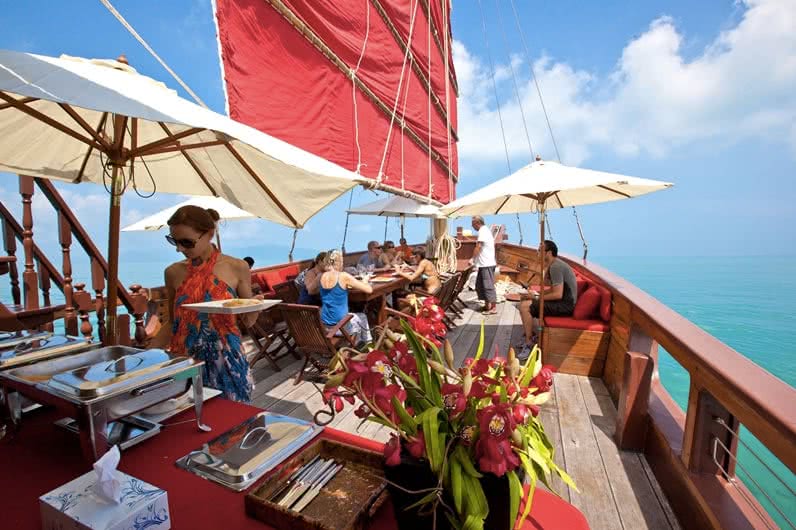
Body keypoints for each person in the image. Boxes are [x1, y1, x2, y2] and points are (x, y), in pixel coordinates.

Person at [149, 206, 255, 402]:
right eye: (174, 241)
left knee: (230, 421)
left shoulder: (237, 267)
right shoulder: (172, 273)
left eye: (186, 242)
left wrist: (255, 305)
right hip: (185, 362)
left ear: (209, 234)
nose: (179, 249)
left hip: (226, 362)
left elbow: (248, 321)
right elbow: (174, 323)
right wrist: (147, 355)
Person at [517, 240, 578, 357]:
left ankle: (529, 343)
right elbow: (550, 288)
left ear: (548, 253)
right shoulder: (553, 265)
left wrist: (536, 297)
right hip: (561, 302)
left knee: (525, 306)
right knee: (525, 300)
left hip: (565, 306)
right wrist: (537, 294)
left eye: (540, 250)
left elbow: (557, 294)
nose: (537, 253)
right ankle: (529, 335)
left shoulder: (556, 267)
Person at [320, 249, 374, 346]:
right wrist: (365, 280)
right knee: (362, 316)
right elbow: (369, 290)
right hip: (341, 326)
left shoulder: (322, 276)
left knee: (356, 315)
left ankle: (357, 343)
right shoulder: (343, 276)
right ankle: (365, 344)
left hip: (326, 325)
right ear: (339, 262)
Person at [469, 216, 497, 315]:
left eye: (473, 225)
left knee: (488, 286)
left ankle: (493, 308)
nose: (472, 227)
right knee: (480, 285)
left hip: (487, 264)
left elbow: (479, 246)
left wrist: (472, 259)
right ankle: (487, 306)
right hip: (483, 264)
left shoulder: (483, 231)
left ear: (477, 223)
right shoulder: (484, 230)